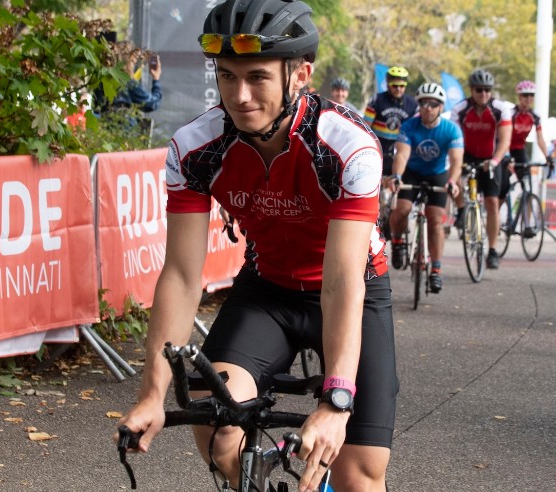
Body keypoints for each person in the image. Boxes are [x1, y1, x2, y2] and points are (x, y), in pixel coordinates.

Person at [116, 2, 397, 491]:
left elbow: (342, 279)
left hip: (353, 290)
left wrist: (336, 402)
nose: (239, 96)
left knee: (360, 475)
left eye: (258, 78)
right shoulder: (196, 148)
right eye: (227, 77)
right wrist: (152, 394)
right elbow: (182, 275)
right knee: (218, 425)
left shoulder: (348, 146)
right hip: (267, 291)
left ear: (300, 75)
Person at [386, 82, 464, 293]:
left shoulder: (451, 129)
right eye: (423, 104)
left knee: (435, 219)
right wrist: (397, 176)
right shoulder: (410, 126)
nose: (427, 108)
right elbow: (401, 154)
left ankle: (436, 270)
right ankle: (397, 241)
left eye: (433, 104)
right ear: (419, 106)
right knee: (401, 209)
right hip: (412, 171)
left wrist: (452, 182)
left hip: (437, 174)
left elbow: (456, 162)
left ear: (440, 107)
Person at [449, 69, 514, 270]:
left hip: (492, 157)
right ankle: (461, 210)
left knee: (492, 203)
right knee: (454, 178)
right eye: (479, 90)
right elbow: (453, 139)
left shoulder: (500, 109)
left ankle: (492, 250)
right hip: (466, 154)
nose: (483, 94)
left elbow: (505, 141)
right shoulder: (460, 109)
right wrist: (457, 165)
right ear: (471, 90)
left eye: (487, 90)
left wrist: (494, 161)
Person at [365, 66, 418, 177]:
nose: (398, 89)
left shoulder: (413, 104)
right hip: (378, 148)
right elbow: (366, 127)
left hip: (400, 150)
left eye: (402, 86)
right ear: (388, 83)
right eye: (394, 85)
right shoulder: (376, 100)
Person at [510, 80, 552, 183]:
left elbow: (540, 139)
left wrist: (547, 156)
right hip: (506, 149)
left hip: (519, 150)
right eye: (525, 95)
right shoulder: (511, 114)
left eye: (531, 95)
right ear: (519, 97)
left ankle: (526, 197)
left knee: (527, 182)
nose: (528, 98)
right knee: (504, 184)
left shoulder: (534, 116)